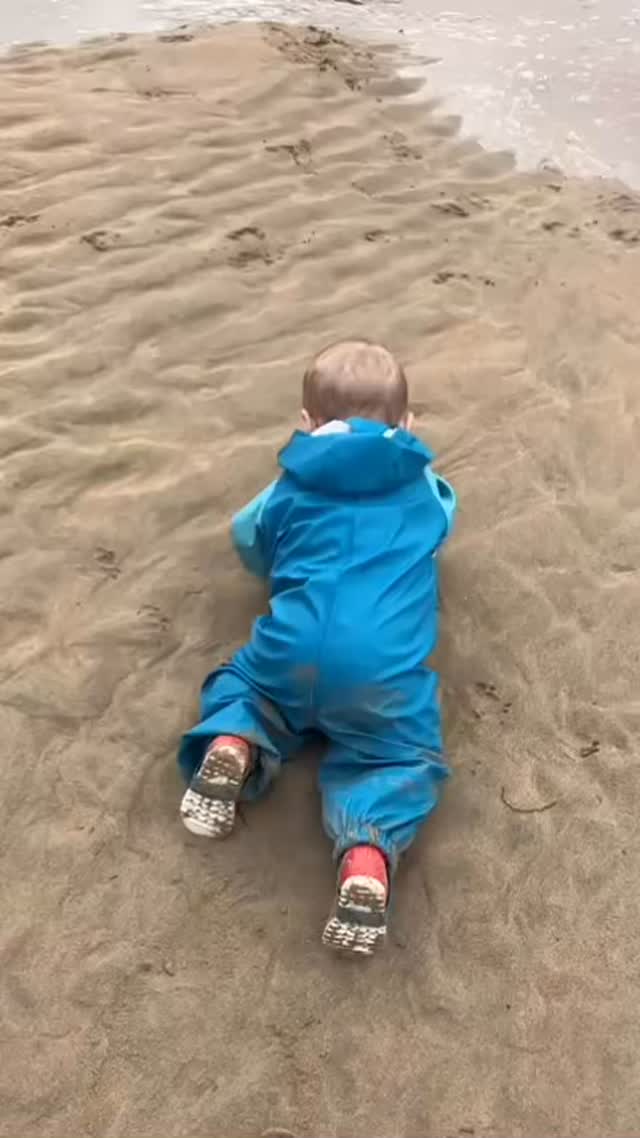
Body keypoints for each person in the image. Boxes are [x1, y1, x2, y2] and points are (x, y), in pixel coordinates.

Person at [178, 340, 456, 955]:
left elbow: (250, 538)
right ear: (407, 427)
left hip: (291, 649)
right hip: (380, 678)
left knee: (247, 686)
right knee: (394, 757)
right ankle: (365, 856)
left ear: (306, 425)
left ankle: (236, 740)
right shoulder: (424, 489)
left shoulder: (289, 486)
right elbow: (441, 525)